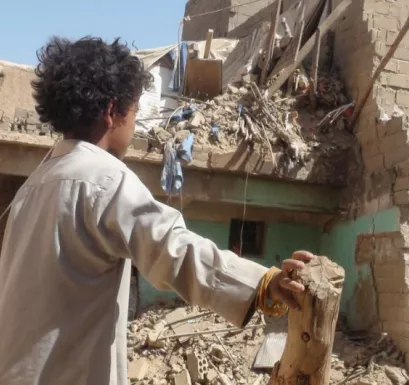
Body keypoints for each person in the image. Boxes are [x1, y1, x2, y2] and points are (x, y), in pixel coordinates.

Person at [0, 36, 314, 385]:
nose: (134, 125)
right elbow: (173, 249)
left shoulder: (33, 186)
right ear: (111, 111)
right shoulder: (103, 178)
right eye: (134, 112)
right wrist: (264, 283)